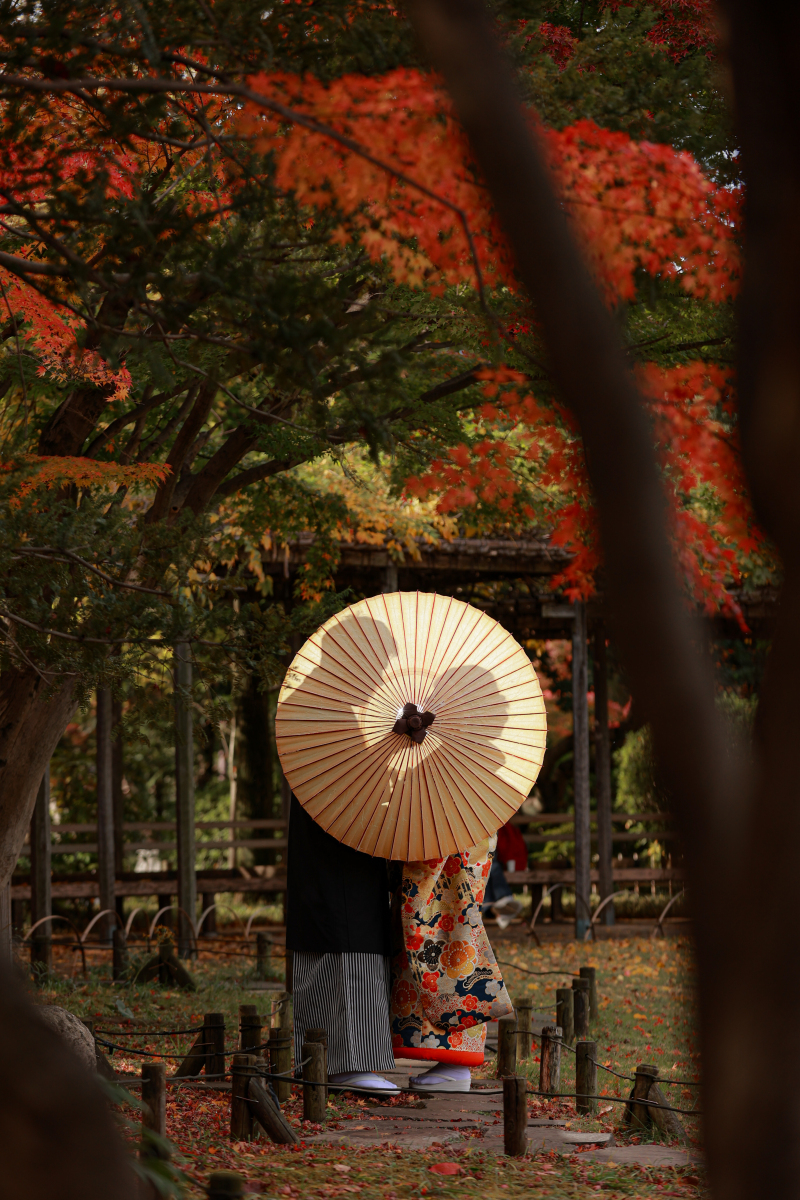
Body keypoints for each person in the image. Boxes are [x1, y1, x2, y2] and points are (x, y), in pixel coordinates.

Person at [286, 794, 399, 1095]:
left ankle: (325, 1060)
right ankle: (347, 1065)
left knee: (346, 925)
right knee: (345, 924)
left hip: (348, 800)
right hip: (342, 805)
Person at [389, 837, 514, 1093]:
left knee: (442, 950)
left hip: (447, 846)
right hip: (468, 839)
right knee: (459, 945)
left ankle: (454, 1065)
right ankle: (453, 1065)